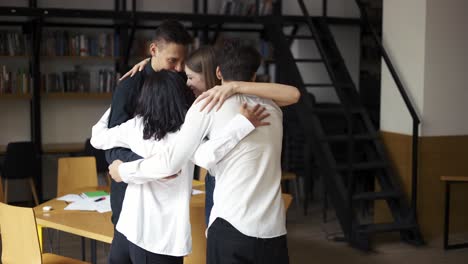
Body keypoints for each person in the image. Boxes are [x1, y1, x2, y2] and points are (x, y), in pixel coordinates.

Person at [109, 42, 292, 264]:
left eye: (190, 77)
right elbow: (293, 94)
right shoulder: (272, 106)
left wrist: (124, 170)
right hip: (274, 228)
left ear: (217, 71)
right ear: (254, 75)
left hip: (232, 224)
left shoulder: (205, 107)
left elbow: (178, 162)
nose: (187, 83)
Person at [105, 20, 192, 263]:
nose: (178, 68)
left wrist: (163, 165)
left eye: (183, 62)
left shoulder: (181, 81)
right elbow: (111, 148)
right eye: (172, 61)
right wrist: (153, 166)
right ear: (153, 50)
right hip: (131, 192)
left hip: (168, 197)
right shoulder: (130, 86)